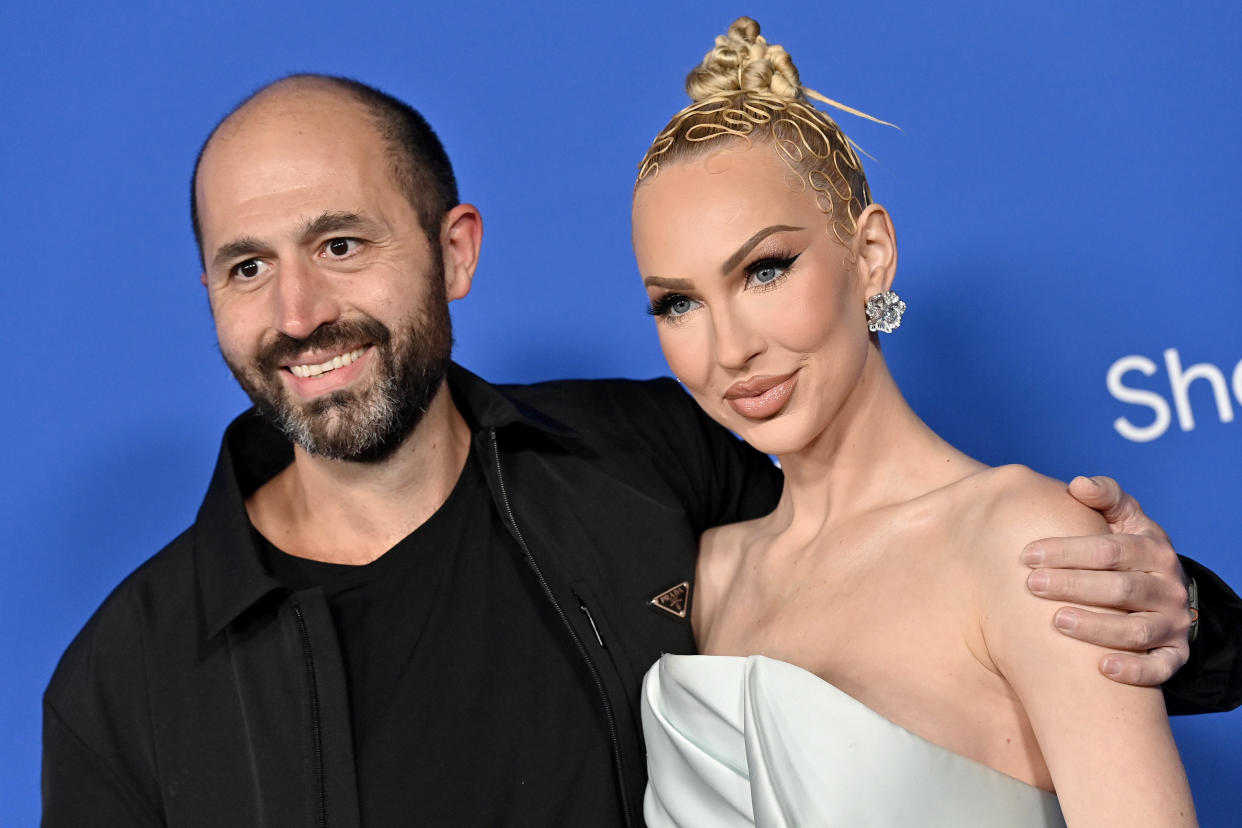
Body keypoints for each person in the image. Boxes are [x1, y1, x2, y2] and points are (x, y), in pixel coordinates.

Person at [42, 73, 1240, 827]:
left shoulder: (650, 465)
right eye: (247, 266)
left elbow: (933, 568)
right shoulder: (121, 686)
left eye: (343, 244)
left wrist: (1173, 606)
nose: (300, 311)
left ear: (454, 252)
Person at [632, 17, 1220, 827]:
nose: (730, 347)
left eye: (765, 270)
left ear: (870, 254)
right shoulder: (708, 578)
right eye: (679, 303)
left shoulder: (1023, 541)